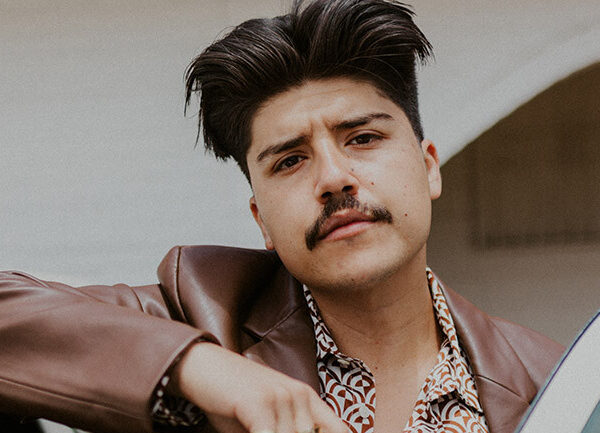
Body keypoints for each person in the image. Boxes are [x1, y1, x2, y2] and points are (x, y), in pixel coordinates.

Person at [0, 1, 564, 433]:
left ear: (428, 167)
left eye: (363, 138)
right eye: (290, 160)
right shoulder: (197, 315)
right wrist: (203, 370)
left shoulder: (555, 383)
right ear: (261, 220)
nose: (334, 178)